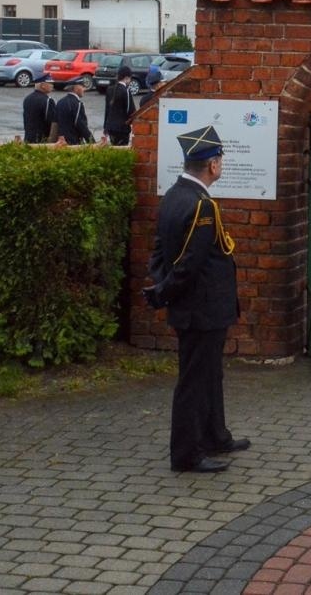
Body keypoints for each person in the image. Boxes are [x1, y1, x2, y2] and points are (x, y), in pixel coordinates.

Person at [144, 125, 247, 474]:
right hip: (201, 308)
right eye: (221, 160)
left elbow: (159, 251)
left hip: (195, 308)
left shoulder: (175, 194)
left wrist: (161, 284)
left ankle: (216, 435)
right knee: (194, 381)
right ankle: (186, 454)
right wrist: (165, 291)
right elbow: (190, 264)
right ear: (213, 165)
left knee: (210, 374)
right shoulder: (202, 206)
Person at [104, 66, 138, 146]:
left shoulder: (109, 89)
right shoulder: (126, 91)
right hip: (122, 128)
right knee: (122, 148)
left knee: (114, 148)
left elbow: (107, 110)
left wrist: (105, 127)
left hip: (111, 127)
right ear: (126, 78)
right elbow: (130, 110)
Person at [24, 74, 58, 144]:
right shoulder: (48, 100)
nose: (52, 85)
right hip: (42, 139)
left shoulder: (28, 98)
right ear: (42, 85)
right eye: (50, 83)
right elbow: (51, 121)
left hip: (28, 137)